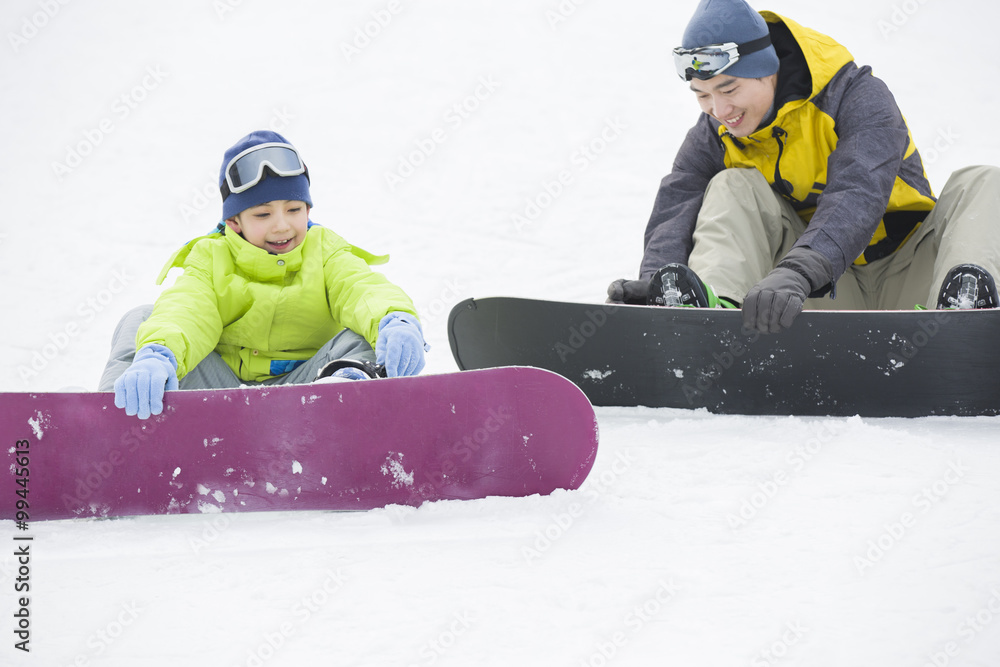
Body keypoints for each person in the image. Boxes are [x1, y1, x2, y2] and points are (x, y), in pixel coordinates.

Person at [607, 0, 1000, 332]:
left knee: (983, 181)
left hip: (907, 275)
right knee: (732, 186)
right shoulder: (714, 134)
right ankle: (706, 320)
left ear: (768, 69)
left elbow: (859, 189)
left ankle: (963, 315)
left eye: (729, 89)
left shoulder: (855, 96)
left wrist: (799, 270)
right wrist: (656, 282)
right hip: (803, 300)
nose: (719, 110)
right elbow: (676, 206)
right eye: (702, 95)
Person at [99, 130, 428, 419]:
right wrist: (159, 355)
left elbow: (361, 288)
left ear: (309, 210)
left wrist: (395, 319)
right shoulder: (211, 257)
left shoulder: (325, 251)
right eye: (263, 213)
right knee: (142, 322)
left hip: (306, 391)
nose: (282, 225)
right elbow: (187, 309)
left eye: (294, 209)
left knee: (365, 335)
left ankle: (343, 405)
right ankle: (115, 416)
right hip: (218, 393)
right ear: (234, 223)